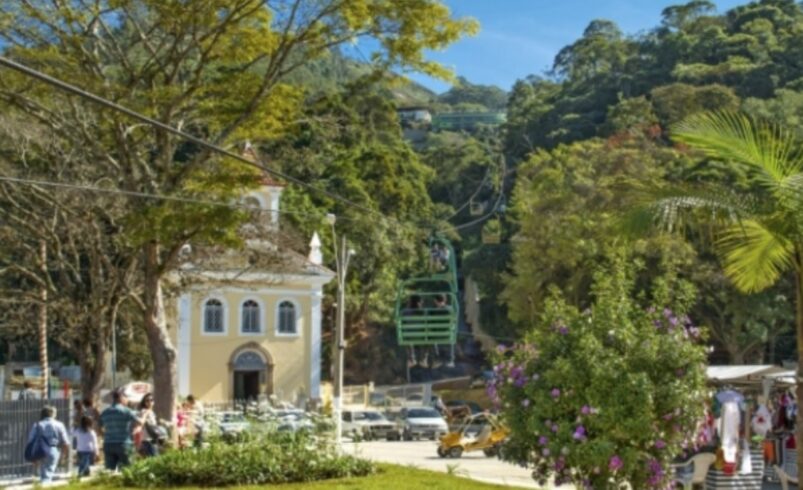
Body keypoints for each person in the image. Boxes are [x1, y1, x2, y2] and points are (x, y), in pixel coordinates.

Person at [98, 390, 141, 471]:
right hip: (123, 443)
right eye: (126, 398)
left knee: (109, 471)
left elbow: (98, 426)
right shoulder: (126, 411)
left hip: (108, 443)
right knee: (127, 470)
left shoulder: (105, 412)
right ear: (121, 398)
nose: (127, 400)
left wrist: (104, 435)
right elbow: (139, 421)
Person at [27, 406, 70, 483]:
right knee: (48, 472)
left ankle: (43, 484)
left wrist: (32, 455)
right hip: (54, 449)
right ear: (53, 414)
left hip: (40, 450)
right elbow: (65, 442)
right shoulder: (59, 425)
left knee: (43, 472)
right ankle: (45, 485)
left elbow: (30, 440)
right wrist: (64, 454)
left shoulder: (37, 425)